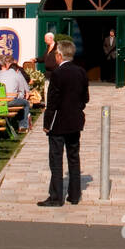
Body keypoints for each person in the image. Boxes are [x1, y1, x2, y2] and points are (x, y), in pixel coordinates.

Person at [40, 40, 88, 206]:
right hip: (75, 120)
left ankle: (56, 197)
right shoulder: (81, 72)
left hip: (58, 121)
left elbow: (52, 101)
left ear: (59, 55)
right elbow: (85, 98)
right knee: (74, 158)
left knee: (56, 158)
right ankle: (74, 195)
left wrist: (47, 123)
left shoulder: (57, 74)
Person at [0, 58, 32, 133]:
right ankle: (23, 126)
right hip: (10, 101)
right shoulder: (18, 75)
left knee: (20, 102)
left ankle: (14, 124)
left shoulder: (0, 74)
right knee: (25, 103)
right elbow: (21, 93)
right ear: (17, 70)